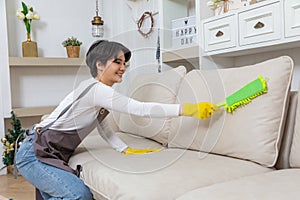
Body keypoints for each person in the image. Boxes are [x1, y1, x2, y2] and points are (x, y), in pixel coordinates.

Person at [16, 40, 218, 200]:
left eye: (124, 63)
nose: (123, 67)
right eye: (117, 62)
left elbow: (102, 126)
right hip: (34, 153)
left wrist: (123, 148)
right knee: (79, 195)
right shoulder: (97, 90)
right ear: (99, 64)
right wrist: (188, 109)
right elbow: (139, 108)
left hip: (47, 151)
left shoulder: (97, 93)